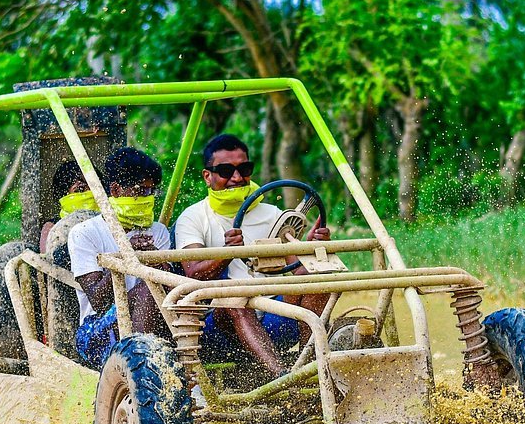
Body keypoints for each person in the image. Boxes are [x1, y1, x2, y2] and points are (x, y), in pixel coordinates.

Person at [174, 133, 330, 378]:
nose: (236, 178)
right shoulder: (194, 218)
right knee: (232, 295)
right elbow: (193, 274)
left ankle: (312, 369)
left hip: (274, 313)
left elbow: (297, 272)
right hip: (221, 327)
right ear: (208, 176)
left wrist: (309, 251)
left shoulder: (272, 214)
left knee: (318, 282)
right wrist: (227, 254)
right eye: (226, 171)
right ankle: (281, 378)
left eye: (244, 168)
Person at [68, 147, 172, 370]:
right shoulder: (85, 233)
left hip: (157, 318)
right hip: (98, 330)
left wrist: (158, 264)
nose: (147, 198)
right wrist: (127, 256)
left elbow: (170, 292)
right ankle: (142, 369)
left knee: (156, 294)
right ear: (115, 189)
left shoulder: (158, 232)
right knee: (146, 291)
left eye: (151, 191)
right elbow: (98, 300)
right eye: (140, 191)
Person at [40, 157, 101, 251]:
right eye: (79, 190)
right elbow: (46, 260)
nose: (88, 192)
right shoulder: (51, 227)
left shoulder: (110, 218)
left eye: (91, 187)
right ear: (64, 195)